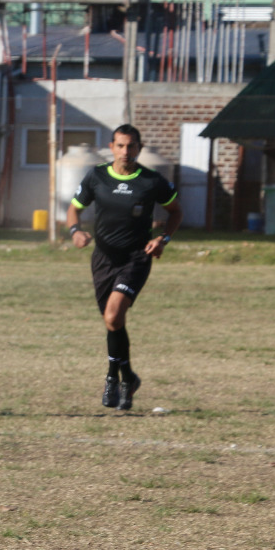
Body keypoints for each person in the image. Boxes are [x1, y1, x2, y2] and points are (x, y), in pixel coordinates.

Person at [66, 124, 183, 411]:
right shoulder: (96, 176)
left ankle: (110, 377)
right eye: (120, 146)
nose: (125, 152)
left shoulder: (151, 181)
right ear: (111, 147)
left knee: (113, 314)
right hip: (103, 259)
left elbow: (176, 211)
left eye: (131, 146)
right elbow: (74, 208)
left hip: (136, 257)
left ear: (139, 149)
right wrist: (75, 231)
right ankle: (128, 378)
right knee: (112, 322)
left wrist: (163, 239)